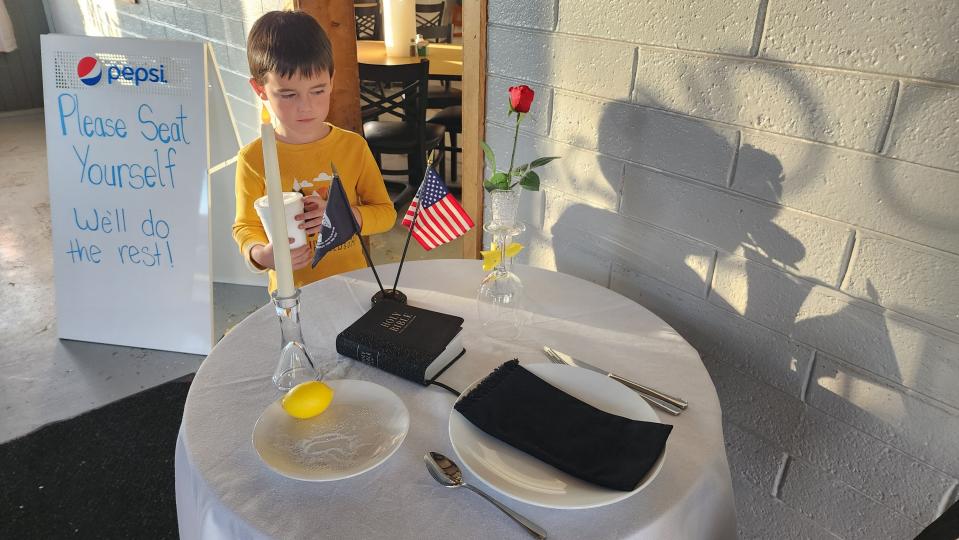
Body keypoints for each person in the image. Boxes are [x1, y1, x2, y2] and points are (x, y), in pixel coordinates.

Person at [232, 10, 396, 293]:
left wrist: (344, 216)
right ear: (260, 89)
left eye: (318, 90)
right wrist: (261, 254)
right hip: (292, 293)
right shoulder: (253, 158)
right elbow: (245, 226)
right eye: (288, 94)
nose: (305, 106)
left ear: (332, 80)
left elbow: (385, 214)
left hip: (353, 284)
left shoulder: (353, 147)